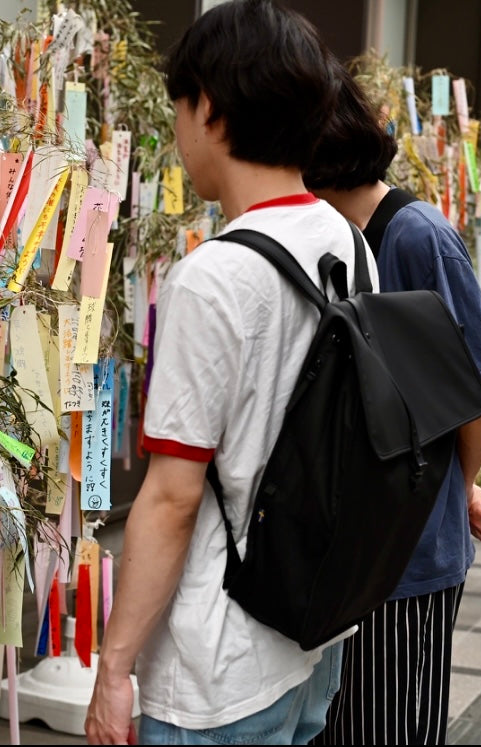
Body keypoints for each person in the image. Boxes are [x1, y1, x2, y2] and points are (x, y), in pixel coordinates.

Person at [84, 2, 379, 745]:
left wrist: (114, 667)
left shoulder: (212, 277)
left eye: (178, 108)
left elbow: (171, 498)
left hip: (215, 667)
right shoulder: (348, 241)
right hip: (311, 629)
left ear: (207, 107)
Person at [303, 68, 481, 745]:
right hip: (356, 549)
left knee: (391, 727)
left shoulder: (416, 235)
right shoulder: (333, 241)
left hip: (407, 557)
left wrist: (459, 484)